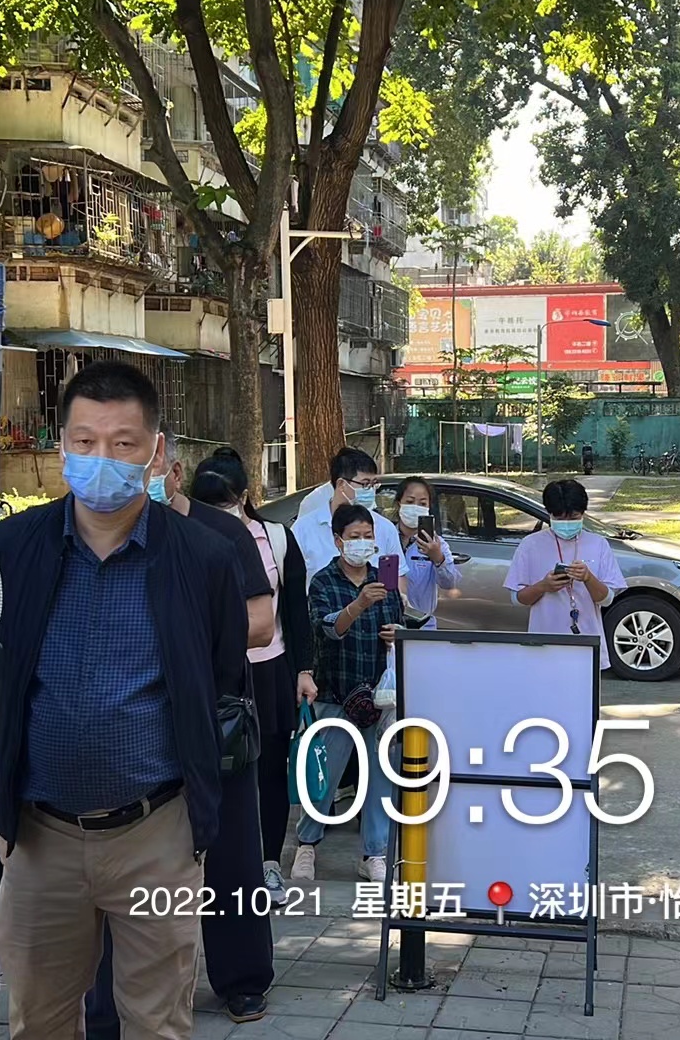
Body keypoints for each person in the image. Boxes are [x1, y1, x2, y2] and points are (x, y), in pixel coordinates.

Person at [0, 362, 250, 1040]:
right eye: (85, 441)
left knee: (157, 1021)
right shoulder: (12, 548)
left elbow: (222, 679)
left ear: (156, 452)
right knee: (38, 1021)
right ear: (62, 447)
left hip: (155, 831)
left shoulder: (203, 556)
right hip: (39, 834)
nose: (102, 458)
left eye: (123, 443)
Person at [83, 427, 276, 1036]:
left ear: (169, 465)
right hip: (129, 729)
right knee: (117, 864)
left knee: (231, 856)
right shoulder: (100, 536)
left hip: (215, 722)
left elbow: (262, 622)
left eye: (137, 459)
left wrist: (179, 632)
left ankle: (243, 979)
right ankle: (108, 1001)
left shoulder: (221, 535)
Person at [192, 448, 316, 895]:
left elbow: (297, 611)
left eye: (224, 503)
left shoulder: (276, 539)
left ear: (244, 497)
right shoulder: (190, 538)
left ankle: (268, 864)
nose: (217, 513)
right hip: (212, 674)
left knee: (269, 769)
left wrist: (304, 669)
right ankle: (214, 865)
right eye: (207, 504)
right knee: (215, 766)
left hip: (269, 670)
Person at [291, 504, 403, 883]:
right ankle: (307, 844)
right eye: (354, 537)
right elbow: (328, 630)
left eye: (368, 536)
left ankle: (374, 852)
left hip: (378, 695)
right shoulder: (324, 582)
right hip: (336, 691)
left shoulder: (384, 581)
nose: (362, 543)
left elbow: (398, 624)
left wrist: (396, 634)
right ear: (338, 541)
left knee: (379, 776)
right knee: (324, 776)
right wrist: (358, 604)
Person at [503, 478, 626, 669]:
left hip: (586, 642)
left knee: (584, 687)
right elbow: (518, 599)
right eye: (560, 518)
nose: (567, 523)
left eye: (574, 517)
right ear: (549, 514)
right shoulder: (531, 545)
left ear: (583, 513)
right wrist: (543, 586)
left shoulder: (598, 544)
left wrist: (588, 578)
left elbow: (607, 599)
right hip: (544, 644)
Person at [293, 447, 407, 594]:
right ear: (341, 484)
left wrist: (402, 600)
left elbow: (398, 576)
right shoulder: (303, 529)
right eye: (365, 484)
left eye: (374, 484)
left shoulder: (385, 528)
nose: (371, 491)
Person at [394, 475, 461, 628]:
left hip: (422, 626)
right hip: (388, 625)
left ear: (428, 507)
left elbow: (449, 583)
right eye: (410, 502)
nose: (415, 507)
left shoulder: (436, 543)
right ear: (399, 504)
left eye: (422, 503)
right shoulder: (386, 537)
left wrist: (438, 558)